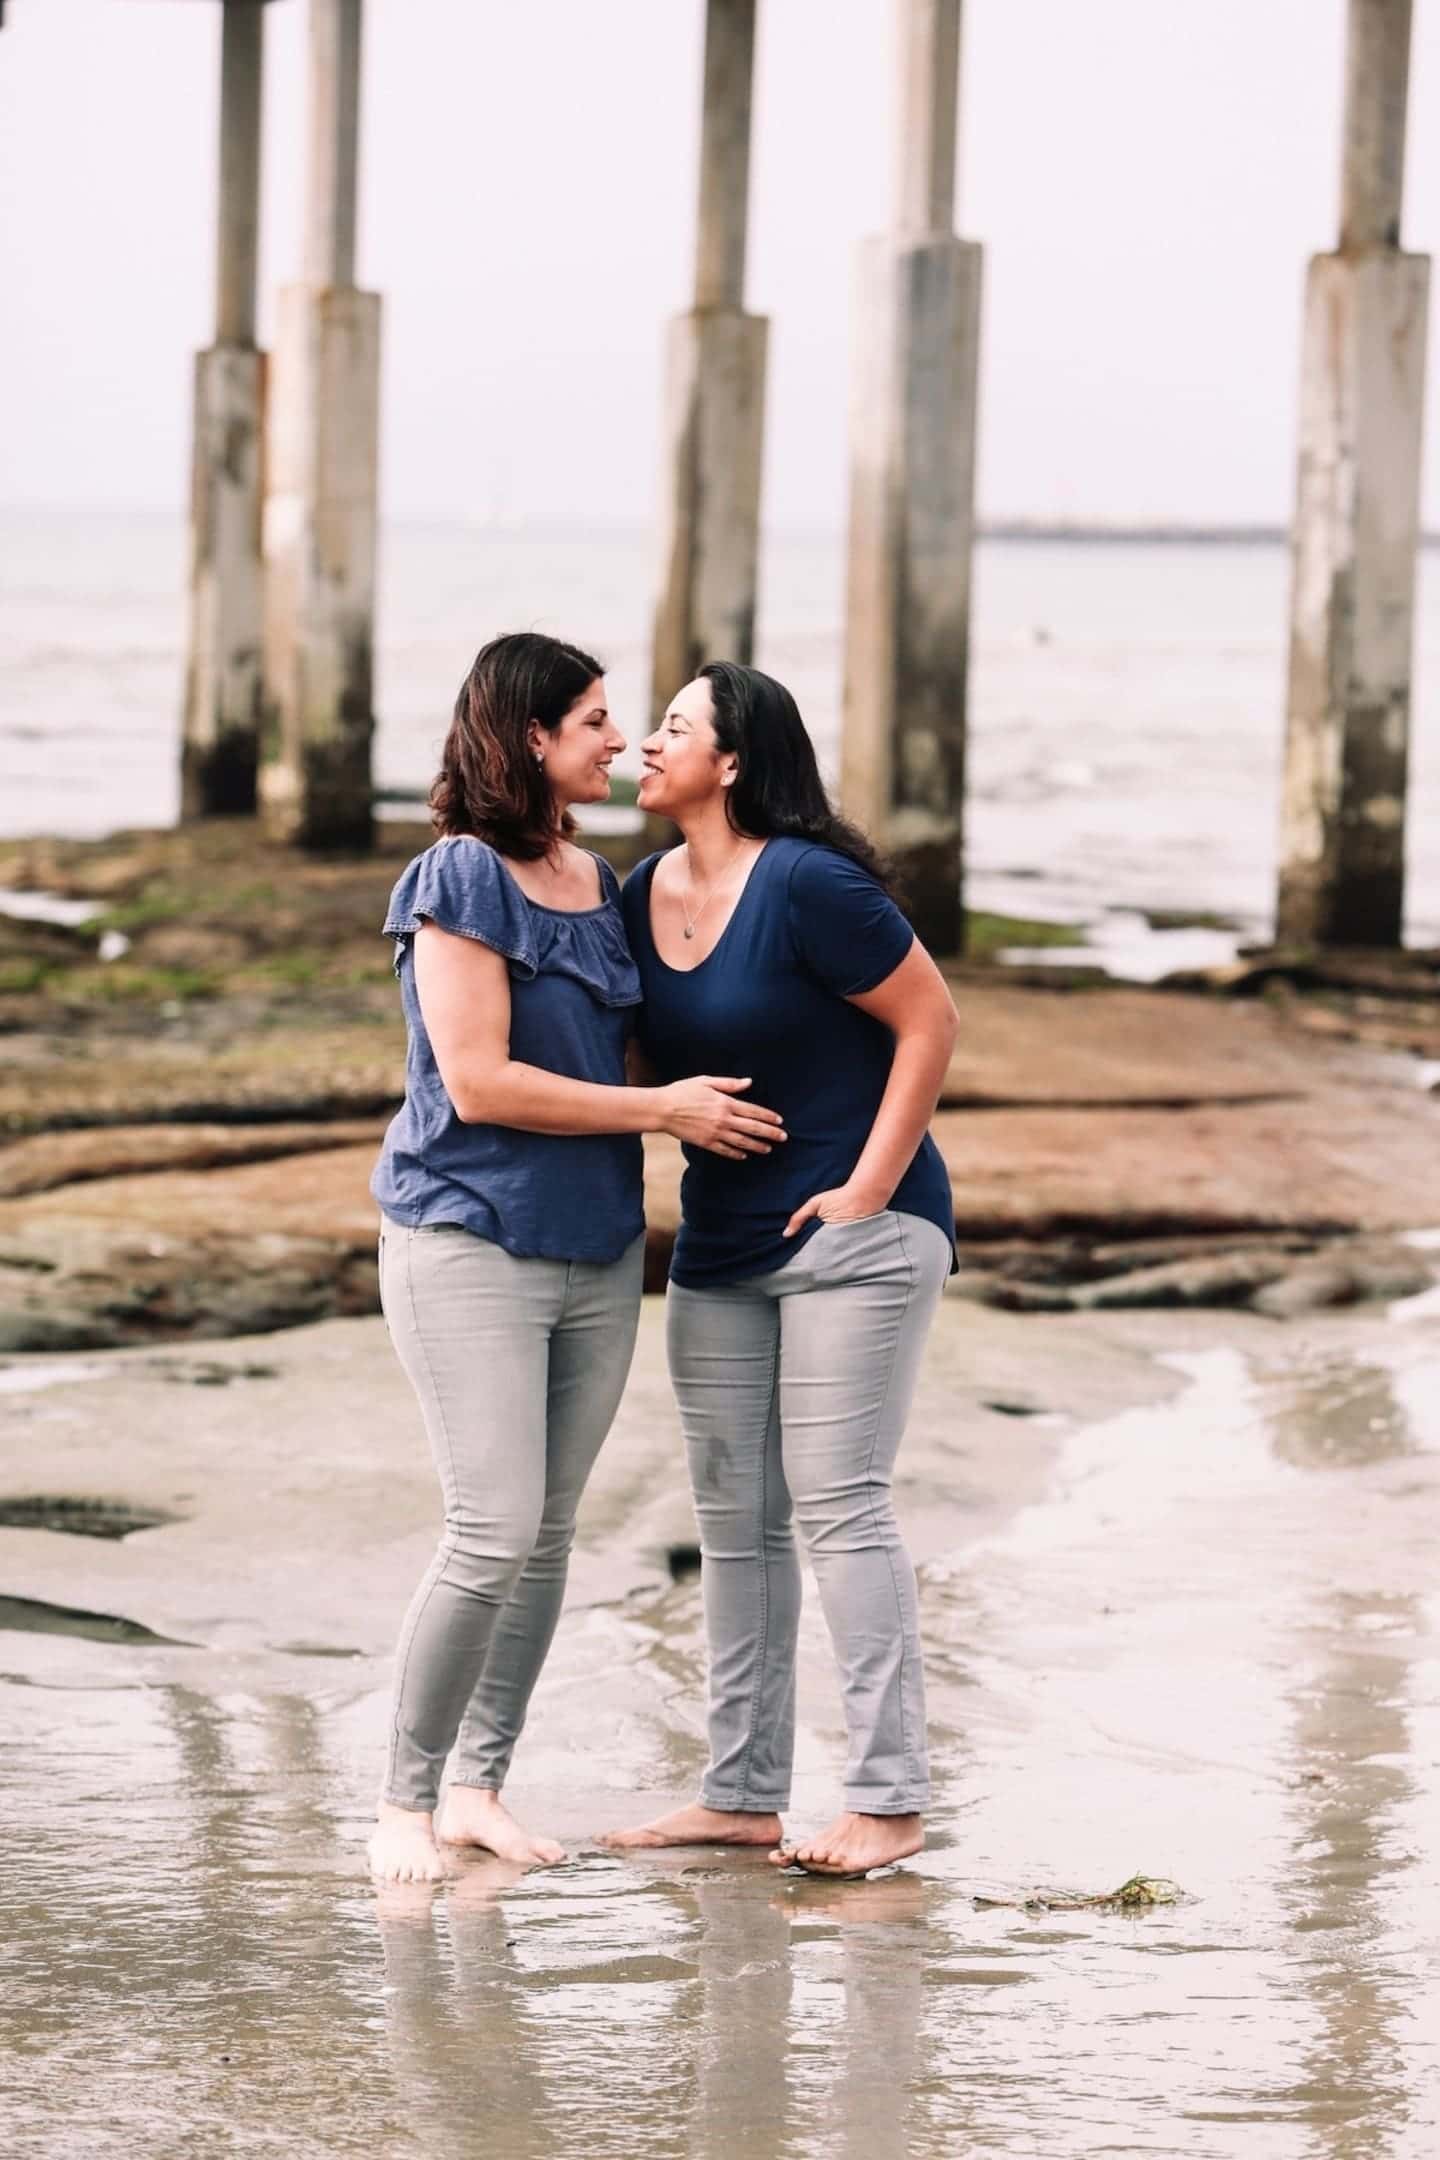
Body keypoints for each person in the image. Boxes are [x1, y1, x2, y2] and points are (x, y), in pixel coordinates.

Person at [366, 633, 786, 1885]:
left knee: (546, 1538)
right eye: (597, 720)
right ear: (530, 738)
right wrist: (665, 1115)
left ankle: (479, 1788)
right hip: (463, 1239)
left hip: (596, 1253)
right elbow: (483, 1083)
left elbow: (640, 1057)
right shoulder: (457, 877)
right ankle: (399, 1802)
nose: (620, 741)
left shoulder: (600, 885)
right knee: (490, 1528)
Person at [597, 662, 959, 1879]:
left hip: (859, 1235)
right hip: (723, 1245)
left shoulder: (809, 884)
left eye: (674, 729)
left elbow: (930, 1020)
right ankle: (743, 1794)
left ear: (735, 760)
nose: (647, 746)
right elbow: (652, 1070)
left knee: (839, 1500)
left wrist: (866, 1186)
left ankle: (889, 1800)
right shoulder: (642, 889)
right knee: (736, 1528)